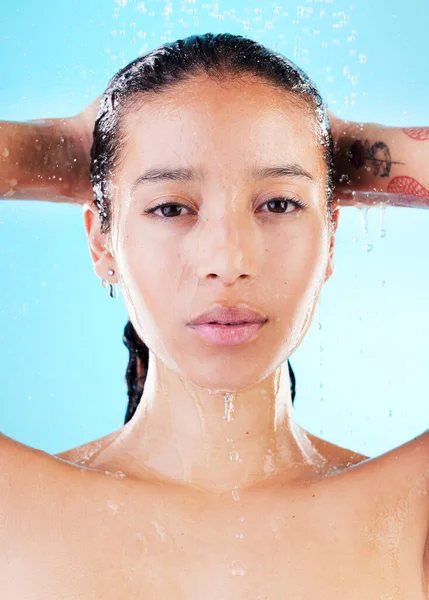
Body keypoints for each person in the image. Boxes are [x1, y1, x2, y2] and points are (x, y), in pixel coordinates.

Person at [1, 32, 429, 598]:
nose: (228, 262)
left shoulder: (410, 512)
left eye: (279, 203)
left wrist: (346, 151)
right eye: (171, 206)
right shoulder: (14, 509)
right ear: (102, 242)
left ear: (330, 237)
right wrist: (53, 151)